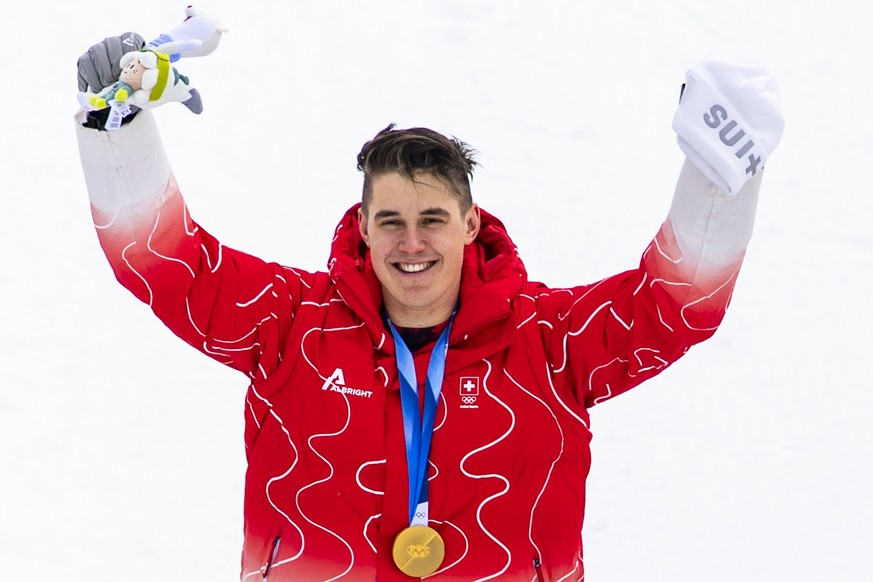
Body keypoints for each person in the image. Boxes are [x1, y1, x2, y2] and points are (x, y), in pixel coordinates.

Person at [75, 17, 783, 582]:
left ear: (470, 223)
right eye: (390, 221)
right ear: (362, 226)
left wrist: (719, 179)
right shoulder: (288, 324)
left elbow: (674, 306)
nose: (411, 243)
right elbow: (164, 265)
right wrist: (118, 130)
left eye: (432, 220)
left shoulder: (549, 340)